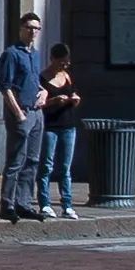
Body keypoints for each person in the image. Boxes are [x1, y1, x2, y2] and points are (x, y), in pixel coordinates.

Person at [0, 11, 49, 220]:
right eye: (29, 27)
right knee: (16, 159)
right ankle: (7, 204)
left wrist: (44, 92)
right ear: (21, 29)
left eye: (36, 28)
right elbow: (5, 86)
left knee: (33, 160)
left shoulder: (35, 54)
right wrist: (17, 113)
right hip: (22, 112)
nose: (33, 32)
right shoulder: (11, 54)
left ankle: (24, 202)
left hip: (37, 113)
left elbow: (34, 79)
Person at [40, 40, 85, 218]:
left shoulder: (67, 76)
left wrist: (75, 99)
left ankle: (67, 205)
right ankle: (44, 203)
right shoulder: (42, 78)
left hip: (68, 125)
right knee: (46, 166)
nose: (64, 65)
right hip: (50, 126)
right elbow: (39, 103)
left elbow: (75, 94)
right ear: (52, 59)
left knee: (65, 168)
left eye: (66, 62)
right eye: (61, 62)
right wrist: (54, 101)